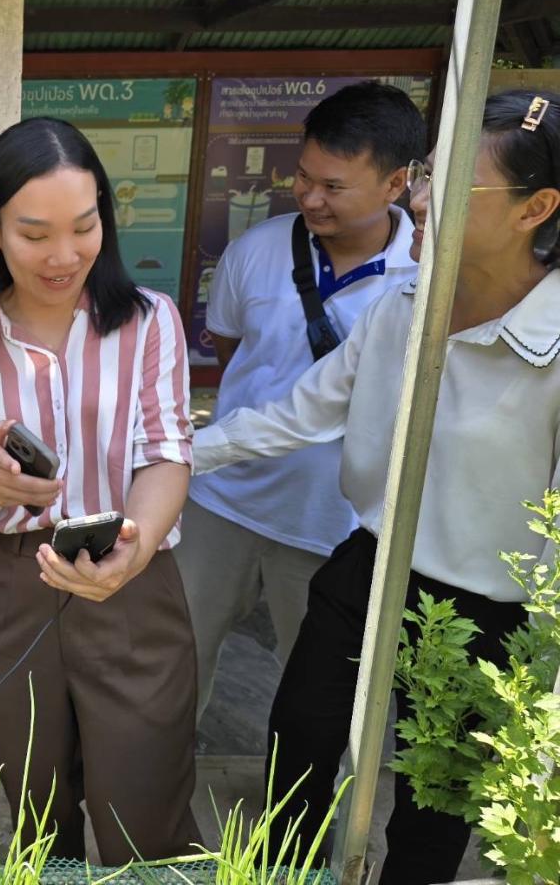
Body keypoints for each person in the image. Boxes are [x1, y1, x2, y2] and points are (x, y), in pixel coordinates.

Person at [192, 90, 560, 884]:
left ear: (538, 207)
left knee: (434, 809)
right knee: (298, 738)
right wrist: (177, 457)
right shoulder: (404, 303)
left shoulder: (553, 339)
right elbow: (301, 412)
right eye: (431, 172)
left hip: (489, 612)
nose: (423, 196)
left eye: (458, 184)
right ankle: (285, 872)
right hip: (372, 560)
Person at [0, 117, 200, 864]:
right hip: (20, 587)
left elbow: (168, 453)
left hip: (134, 581)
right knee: (39, 812)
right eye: (34, 233)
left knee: (146, 816)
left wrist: (138, 547)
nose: (64, 255)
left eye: (83, 228)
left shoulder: (149, 322)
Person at [177, 81, 426, 720]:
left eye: (335, 187)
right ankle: (159, 805)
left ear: (396, 184)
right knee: (174, 667)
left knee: (319, 701)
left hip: (331, 522)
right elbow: (236, 358)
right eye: (304, 178)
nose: (311, 198)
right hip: (222, 502)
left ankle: (309, 821)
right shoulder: (254, 251)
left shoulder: (425, 277)